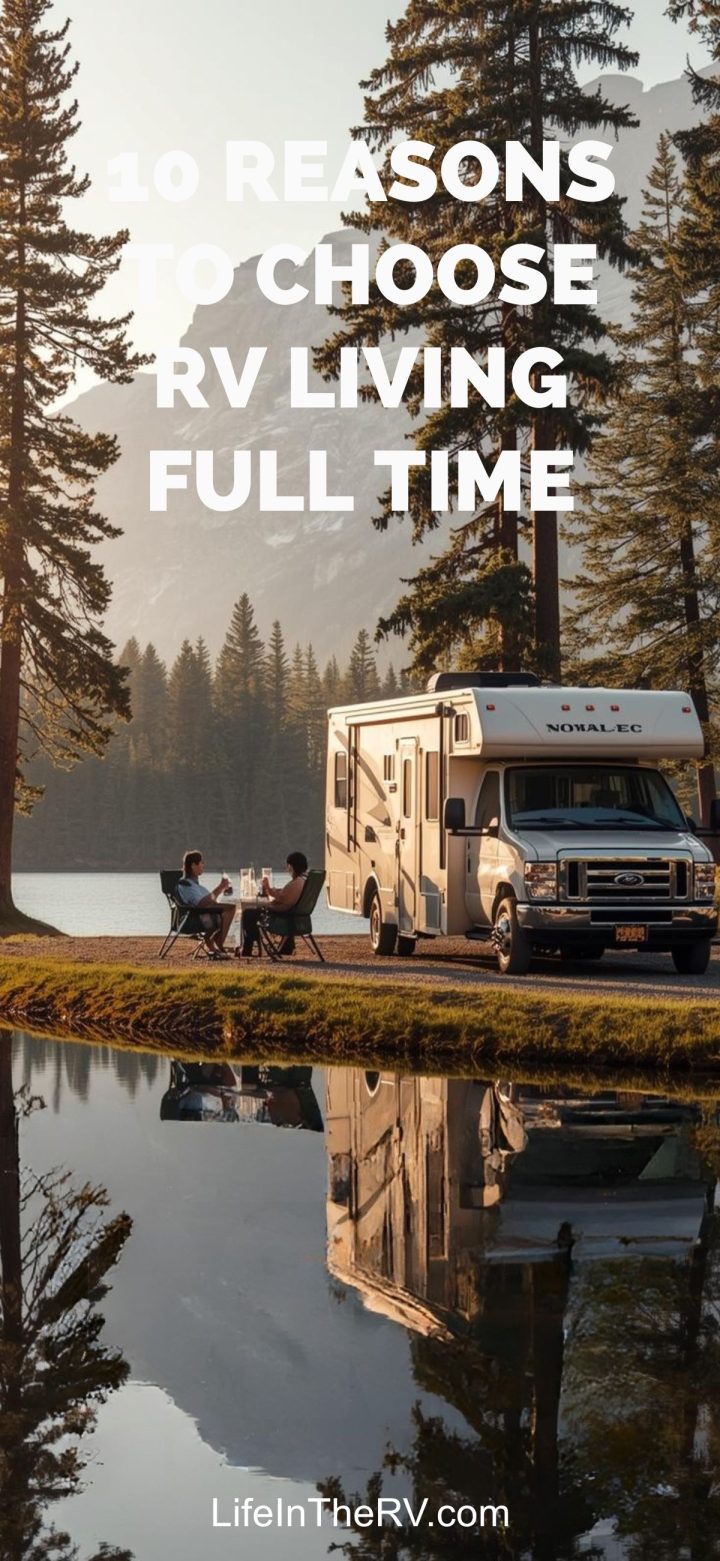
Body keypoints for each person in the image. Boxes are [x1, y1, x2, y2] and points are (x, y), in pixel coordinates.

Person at [238, 850, 308, 957]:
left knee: (248, 914)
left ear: (291, 866)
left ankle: (247, 949)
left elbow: (282, 899)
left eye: (288, 866)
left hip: (284, 916)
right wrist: (271, 891)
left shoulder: (296, 882)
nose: (287, 869)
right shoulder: (302, 881)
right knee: (255, 911)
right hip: (293, 915)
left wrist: (268, 900)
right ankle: (287, 947)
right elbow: (285, 895)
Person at [176, 850, 235, 957]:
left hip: (203, 912)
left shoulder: (195, 885)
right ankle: (218, 941)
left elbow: (210, 900)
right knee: (230, 909)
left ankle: (214, 939)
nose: (203, 865)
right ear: (193, 865)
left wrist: (222, 890)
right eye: (201, 862)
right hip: (194, 918)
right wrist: (220, 887)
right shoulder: (185, 884)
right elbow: (201, 904)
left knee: (231, 908)